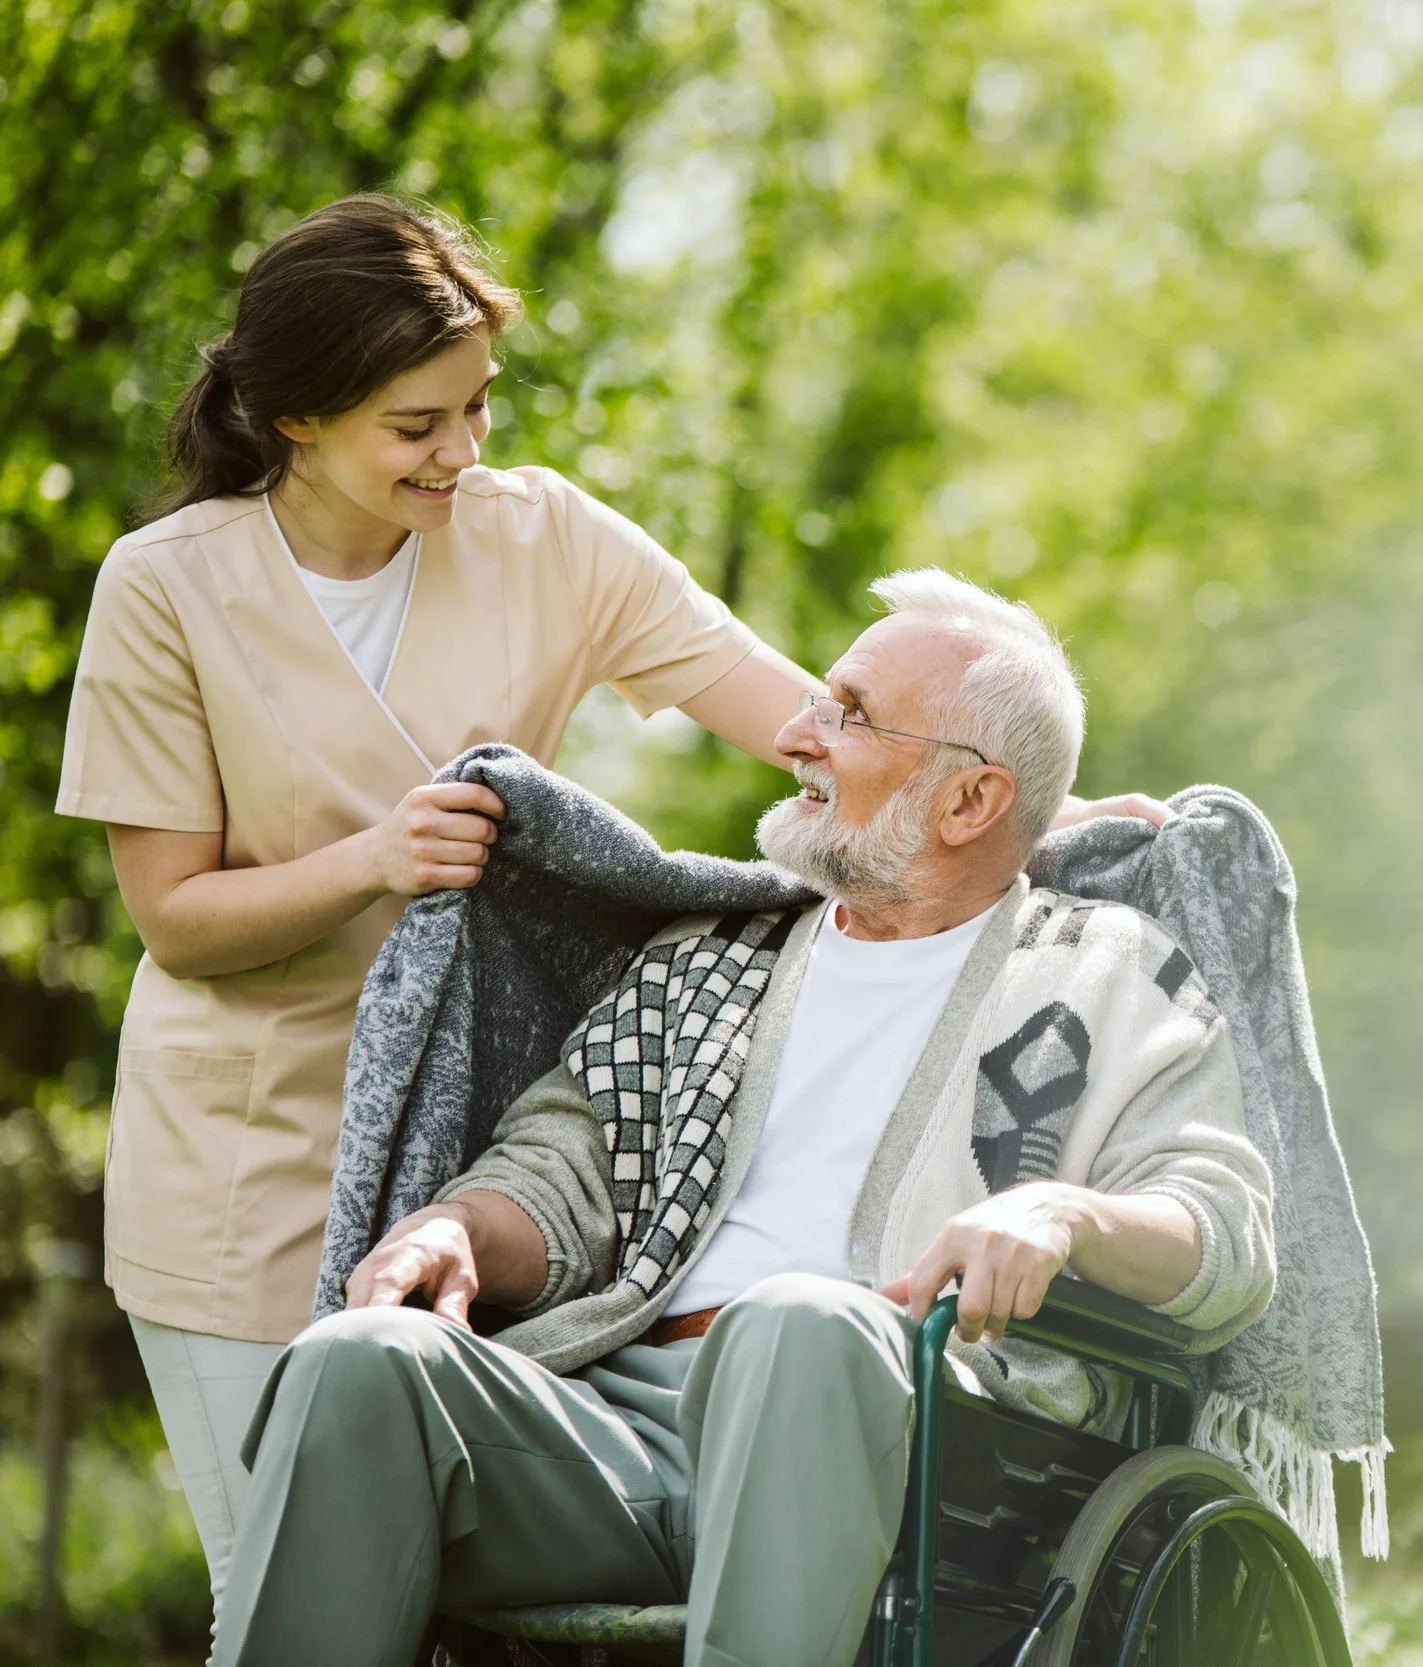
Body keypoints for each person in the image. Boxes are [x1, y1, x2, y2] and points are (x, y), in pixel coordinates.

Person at [51, 196, 1160, 1623]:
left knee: (446, 1590)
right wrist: (376, 859)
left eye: (476, 410)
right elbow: (177, 917)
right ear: (295, 421)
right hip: (247, 1147)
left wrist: (1040, 805)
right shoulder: (165, 588)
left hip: (486, 1140)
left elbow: (809, 721)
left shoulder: (545, 539)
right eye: (415, 426)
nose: (462, 453)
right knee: (272, 1578)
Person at [207, 570, 1275, 1667]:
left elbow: (1226, 1229)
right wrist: (459, 1227)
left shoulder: (1108, 974)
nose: (797, 732)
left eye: (847, 713)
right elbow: (557, 1168)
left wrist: (1064, 1214)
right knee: (363, 1357)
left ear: (969, 801)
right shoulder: (709, 961)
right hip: (621, 1431)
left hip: (926, 1440)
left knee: (800, 1319)